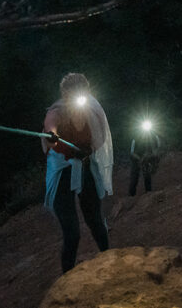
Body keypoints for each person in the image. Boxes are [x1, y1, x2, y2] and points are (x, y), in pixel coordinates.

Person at [42, 72, 114, 273]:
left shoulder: (93, 111)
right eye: (70, 95)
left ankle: (110, 259)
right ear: (64, 96)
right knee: (72, 232)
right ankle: (67, 277)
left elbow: (97, 140)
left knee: (95, 220)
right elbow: (51, 128)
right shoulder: (56, 113)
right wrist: (53, 136)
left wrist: (85, 150)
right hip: (62, 172)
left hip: (84, 166)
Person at [128, 121, 161, 196]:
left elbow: (157, 149)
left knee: (147, 176)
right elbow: (132, 152)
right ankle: (131, 196)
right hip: (136, 160)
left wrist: (151, 156)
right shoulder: (135, 138)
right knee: (134, 178)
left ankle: (148, 194)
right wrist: (139, 159)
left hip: (147, 159)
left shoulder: (154, 137)